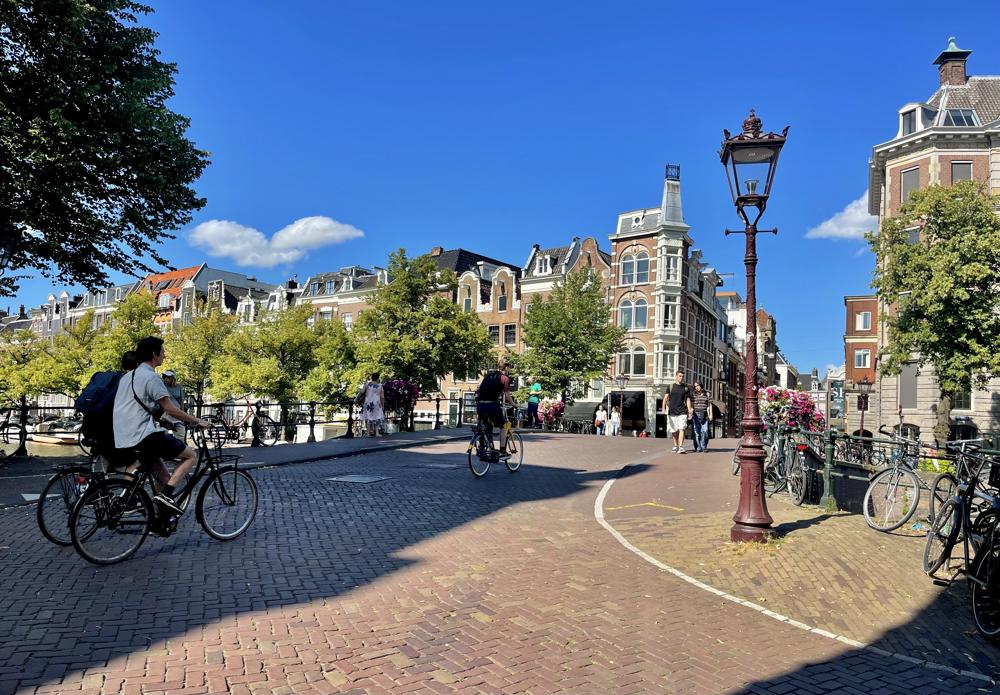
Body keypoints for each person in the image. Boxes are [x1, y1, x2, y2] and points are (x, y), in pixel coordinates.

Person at [113, 336, 210, 515]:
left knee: (163, 476)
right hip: (144, 435)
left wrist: (160, 420)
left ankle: (158, 518)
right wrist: (197, 420)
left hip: (122, 434)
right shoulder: (151, 377)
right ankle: (165, 495)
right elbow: (170, 409)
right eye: (162, 352)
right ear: (154, 354)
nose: (164, 355)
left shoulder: (128, 377)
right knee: (190, 456)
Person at [476, 357, 514, 454]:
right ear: (506, 368)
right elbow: (507, 395)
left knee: (487, 425)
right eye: (510, 368)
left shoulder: (488, 376)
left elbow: (478, 390)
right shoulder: (504, 378)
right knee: (504, 425)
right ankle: (502, 450)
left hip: (480, 405)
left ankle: (485, 446)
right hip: (492, 405)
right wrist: (514, 404)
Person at [661, 370, 693, 454]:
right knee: (674, 430)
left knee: (681, 428)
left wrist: (689, 410)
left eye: (682, 376)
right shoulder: (671, 386)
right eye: (680, 376)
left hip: (682, 411)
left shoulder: (686, 388)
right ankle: (675, 445)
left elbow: (688, 400)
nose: (681, 378)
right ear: (676, 376)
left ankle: (681, 447)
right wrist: (663, 408)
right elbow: (665, 398)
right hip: (672, 411)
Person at [160, 370, 185, 436]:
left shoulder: (178, 387)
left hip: (177, 412)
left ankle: (179, 445)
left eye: (168, 377)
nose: (165, 379)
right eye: (164, 377)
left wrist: (183, 413)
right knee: (164, 434)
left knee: (181, 433)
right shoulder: (162, 386)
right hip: (166, 413)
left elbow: (181, 401)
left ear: (172, 378)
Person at [691, 382, 712, 453]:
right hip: (696, 414)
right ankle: (698, 447)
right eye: (695, 386)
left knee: (705, 431)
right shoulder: (693, 395)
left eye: (698, 385)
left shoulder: (707, 394)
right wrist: (690, 412)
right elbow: (691, 405)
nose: (697, 387)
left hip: (704, 414)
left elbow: (709, 405)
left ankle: (703, 446)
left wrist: (710, 414)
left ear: (701, 386)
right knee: (697, 432)